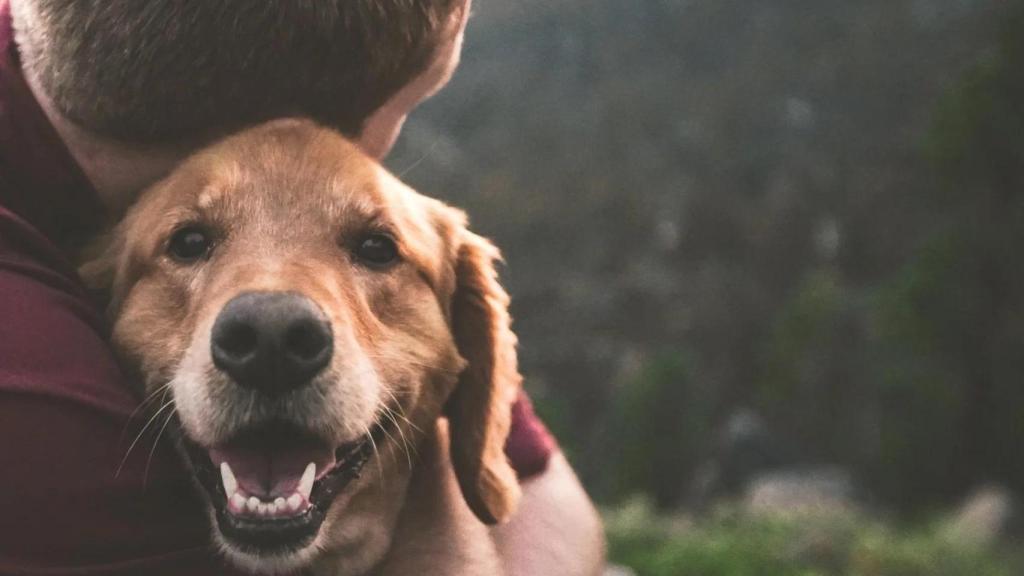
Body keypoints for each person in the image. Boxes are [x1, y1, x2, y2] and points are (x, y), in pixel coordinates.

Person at [0, 0, 604, 574]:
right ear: (287, 112)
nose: (274, 307)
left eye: (375, 249)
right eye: (190, 243)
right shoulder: (37, 402)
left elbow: (547, 499)